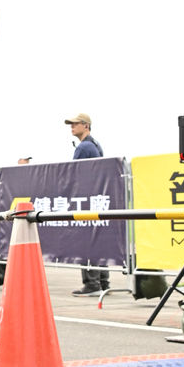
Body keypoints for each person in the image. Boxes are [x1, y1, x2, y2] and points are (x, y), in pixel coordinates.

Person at [64, 112, 109, 295]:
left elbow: (73, 174)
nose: (72, 127)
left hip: (86, 199)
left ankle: (92, 284)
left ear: (86, 125)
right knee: (97, 241)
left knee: (87, 242)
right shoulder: (96, 145)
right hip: (96, 199)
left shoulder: (83, 147)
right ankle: (104, 283)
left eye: (75, 124)